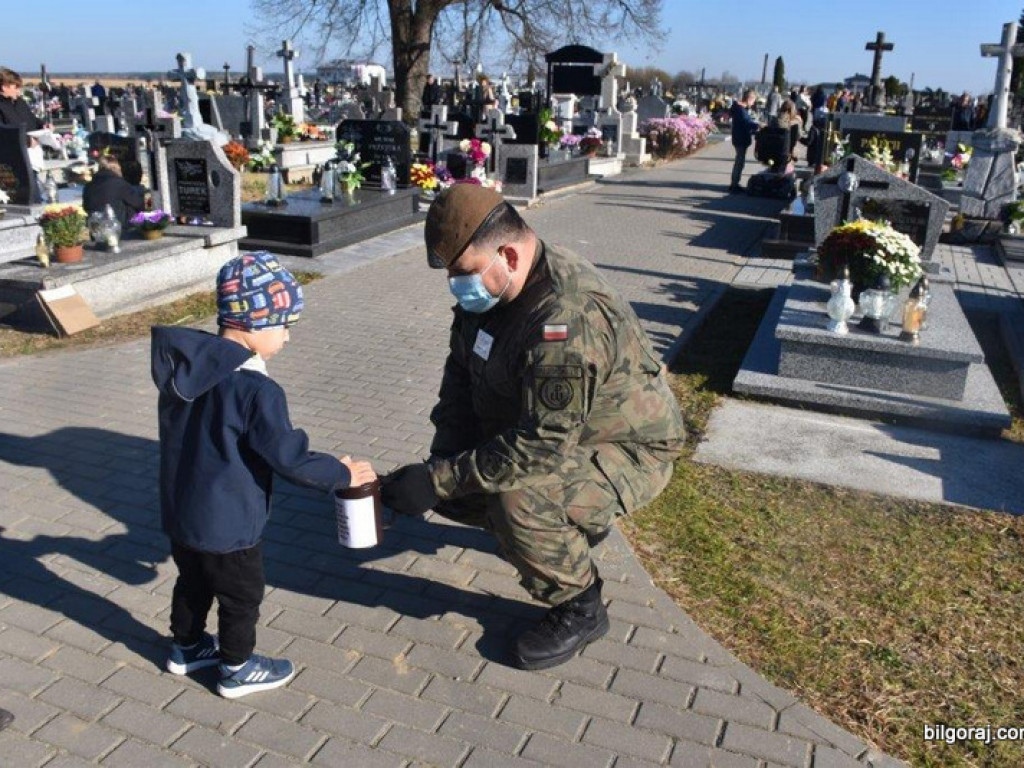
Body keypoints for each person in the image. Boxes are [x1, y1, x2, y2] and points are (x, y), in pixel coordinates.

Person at [380, 185, 686, 670]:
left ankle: (579, 605)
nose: (460, 288)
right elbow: (459, 376)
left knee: (517, 499)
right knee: (459, 484)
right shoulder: (496, 289)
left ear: (508, 253)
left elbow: (541, 447)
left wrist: (439, 479)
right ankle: (566, 528)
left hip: (627, 446)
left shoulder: (565, 318)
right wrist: (438, 467)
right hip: (565, 432)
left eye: (464, 275)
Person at [151, 252, 375, 698]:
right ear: (253, 324)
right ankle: (237, 667)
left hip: (182, 513)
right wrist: (341, 473)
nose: (288, 337)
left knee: (192, 581)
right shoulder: (257, 390)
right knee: (241, 596)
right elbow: (288, 457)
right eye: (284, 324)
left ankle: (187, 646)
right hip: (230, 523)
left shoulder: (184, 371)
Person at [82, 152, 146, 231]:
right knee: (131, 204)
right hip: (118, 227)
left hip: (96, 228)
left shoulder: (89, 185)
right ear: (116, 168)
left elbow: (86, 207)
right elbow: (138, 203)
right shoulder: (120, 184)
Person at [729, 89, 760, 192]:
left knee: (739, 161)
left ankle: (735, 182)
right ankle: (734, 184)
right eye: (753, 101)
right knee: (739, 162)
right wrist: (758, 126)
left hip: (740, 137)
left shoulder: (741, 108)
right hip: (740, 138)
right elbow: (746, 123)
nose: (753, 103)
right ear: (749, 99)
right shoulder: (741, 110)